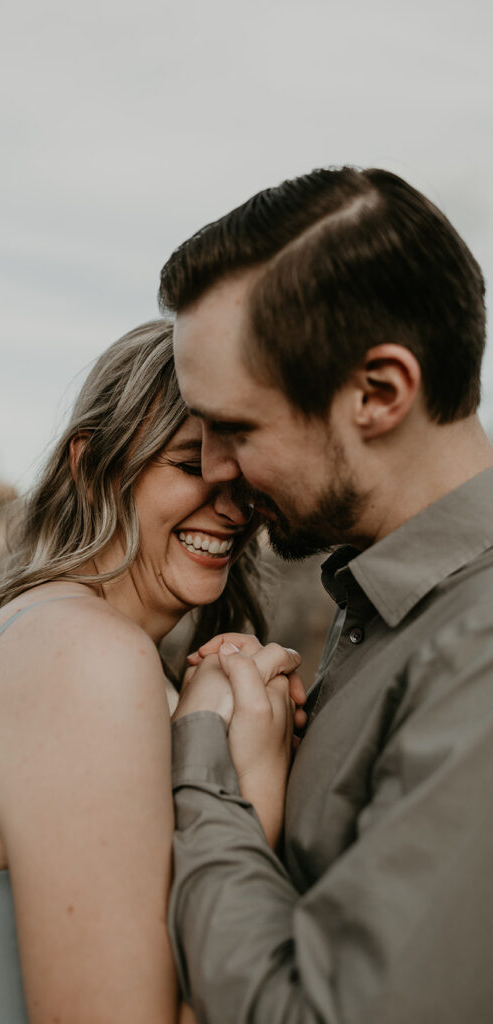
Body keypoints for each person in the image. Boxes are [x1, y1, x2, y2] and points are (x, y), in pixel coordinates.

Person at [158, 167, 493, 1022]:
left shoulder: (478, 651)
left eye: (235, 428)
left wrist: (207, 771)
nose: (214, 469)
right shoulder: (385, 603)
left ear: (378, 394)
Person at [0, 319, 303, 1024]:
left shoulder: (54, 632)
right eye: (190, 466)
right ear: (89, 462)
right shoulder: (83, 656)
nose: (229, 507)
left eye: (243, 476)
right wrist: (248, 793)